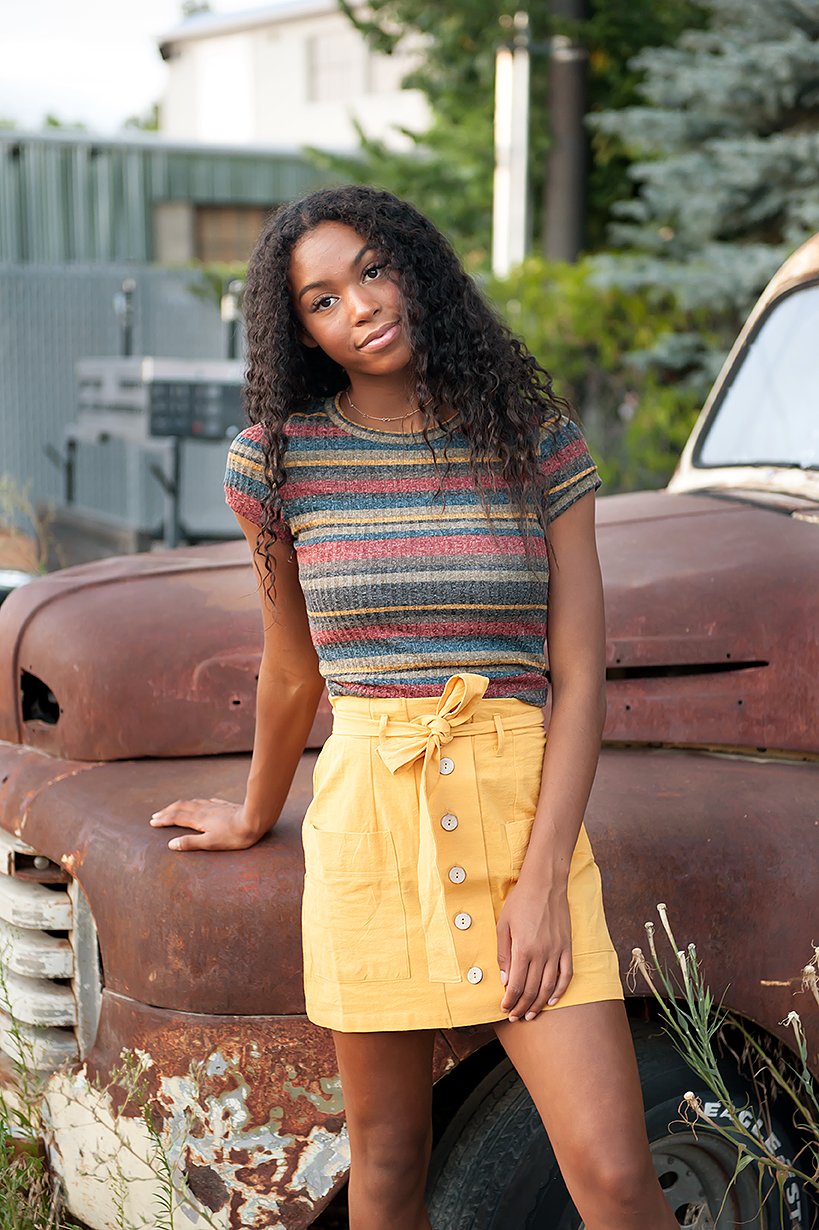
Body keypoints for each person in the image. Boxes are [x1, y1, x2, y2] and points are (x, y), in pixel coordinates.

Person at [150, 185, 677, 1230]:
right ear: (300, 330)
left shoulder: (532, 437)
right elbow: (292, 669)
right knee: (387, 1168)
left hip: (520, 814)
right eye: (323, 299)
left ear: (417, 267)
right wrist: (255, 813)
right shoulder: (278, 462)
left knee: (616, 1175)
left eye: (374, 270)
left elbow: (580, 675)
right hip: (369, 836)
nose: (361, 306)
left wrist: (539, 885)